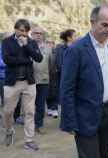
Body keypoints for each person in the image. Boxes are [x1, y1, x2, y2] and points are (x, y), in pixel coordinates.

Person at [60, 6, 108, 158]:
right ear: (92, 22)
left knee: (104, 154)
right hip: (85, 115)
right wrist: (70, 121)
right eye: (105, 25)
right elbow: (66, 88)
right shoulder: (76, 49)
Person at [2, 19, 43, 150]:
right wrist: (27, 60)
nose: (23, 33)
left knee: (30, 112)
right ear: (15, 29)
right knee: (8, 111)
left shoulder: (31, 42)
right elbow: (7, 60)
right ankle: (9, 131)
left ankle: (29, 140)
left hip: (29, 82)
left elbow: (38, 58)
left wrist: (26, 46)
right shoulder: (7, 42)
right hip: (12, 83)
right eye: (21, 30)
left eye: (26, 31)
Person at [47, 29, 76, 118]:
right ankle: (54, 108)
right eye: (74, 35)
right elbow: (59, 63)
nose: (76, 37)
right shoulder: (60, 47)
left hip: (71, 75)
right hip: (61, 75)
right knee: (58, 92)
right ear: (69, 38)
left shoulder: (75, 47)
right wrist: (66, 73)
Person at [32, 26, 52, 134]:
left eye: (40, 33)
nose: (38, 35)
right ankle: (30, 124)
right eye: (36, 33)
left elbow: (50, 65)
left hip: (44, 80)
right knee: (29, 105)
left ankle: (38, 125)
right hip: (30, 80)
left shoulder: (48, 48)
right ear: (32, 34)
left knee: (40, 104)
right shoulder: (26, 47)